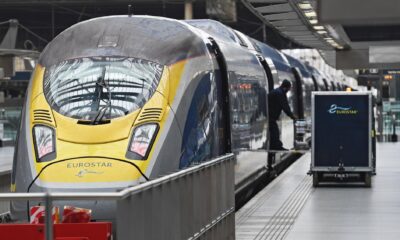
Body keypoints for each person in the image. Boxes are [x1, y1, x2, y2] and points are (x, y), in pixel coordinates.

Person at [268, 79, 296, 151]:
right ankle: (276, 146)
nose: (289, 90)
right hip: (270, 116)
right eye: (289, 88)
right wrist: (292, 117)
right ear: (286, 87)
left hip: (270, 115)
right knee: (275, 131)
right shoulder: (280, 93)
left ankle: (272, 145)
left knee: (273, 130)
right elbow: (285, 106)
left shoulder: (278, 91)